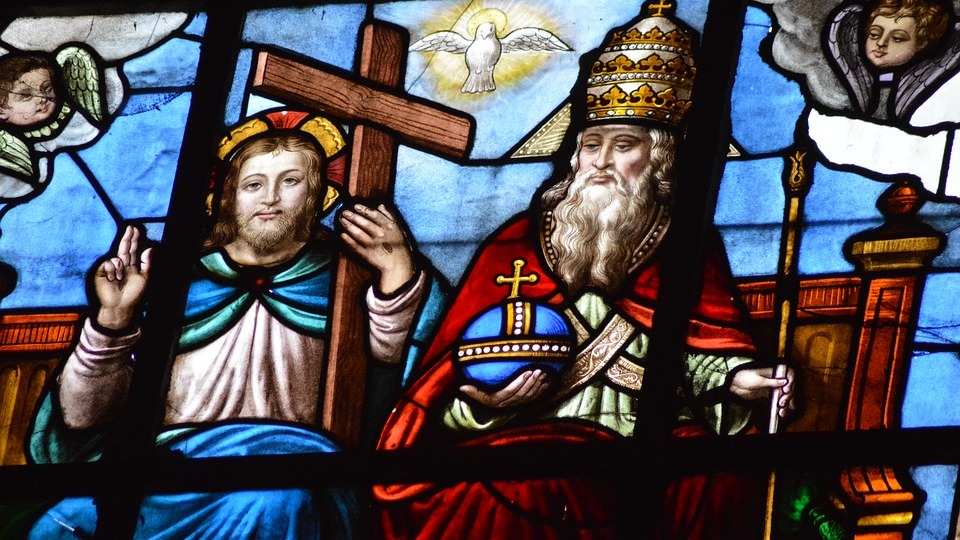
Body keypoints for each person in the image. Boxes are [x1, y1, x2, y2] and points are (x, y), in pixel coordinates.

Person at [375, 5, 794, 539]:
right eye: (591, 145)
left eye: (624, 145)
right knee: (518, 479)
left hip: (654, 441)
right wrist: (486, 408)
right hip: (530, 442)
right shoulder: (515, 246)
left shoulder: (686, 245)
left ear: (662, 161)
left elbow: (703, 353)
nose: (600, 161)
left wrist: (739, 379)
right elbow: (445, 386)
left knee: (712, 473)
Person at [27, 109, 445, 539]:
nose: (270, 198)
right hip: (171, 470)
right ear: (228, 196)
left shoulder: (345, 281)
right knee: (60, 524)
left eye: (290, 181)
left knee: (274, 501)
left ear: (317, 194)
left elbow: (400, 370)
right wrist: (113, 320)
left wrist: (398, 278)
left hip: (294, 469)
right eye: (254, 184)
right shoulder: (177, 283)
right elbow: (83, 418)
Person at [811, 0, 960, 199]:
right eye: (874, 34)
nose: (881, 43)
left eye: (897, 38)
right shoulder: (856, 90)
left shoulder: (940, 97)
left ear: (922, 43)